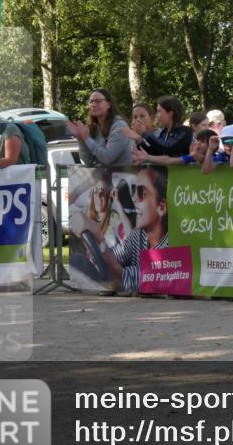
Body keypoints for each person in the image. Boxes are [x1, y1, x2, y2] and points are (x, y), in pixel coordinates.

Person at [70, 166, 169, 295]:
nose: (134, 198)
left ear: (161, 208)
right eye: (133, 190)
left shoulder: (169, 248)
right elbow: (116, 256)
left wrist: (99, 238)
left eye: (141, 193)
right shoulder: (140, 235)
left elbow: (124, 277)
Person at [67, 88, 134, 167]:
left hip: (123, 177)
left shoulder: (120, 126)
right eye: (91, 102)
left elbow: (107, 158)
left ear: (108, 104)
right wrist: (80, 139)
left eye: (98, 101)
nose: (93, 105)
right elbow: (88, 161)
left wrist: (86, 138)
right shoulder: (94, 127)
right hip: (104, 177)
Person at [123, 96, 192, 158]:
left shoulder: (184, 131)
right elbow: (156, 153)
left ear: (170, 114)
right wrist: (139, 140)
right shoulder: (164, 132)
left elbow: (168, 149)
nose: (157, 115)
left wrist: (144, 133)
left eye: (159, 111)